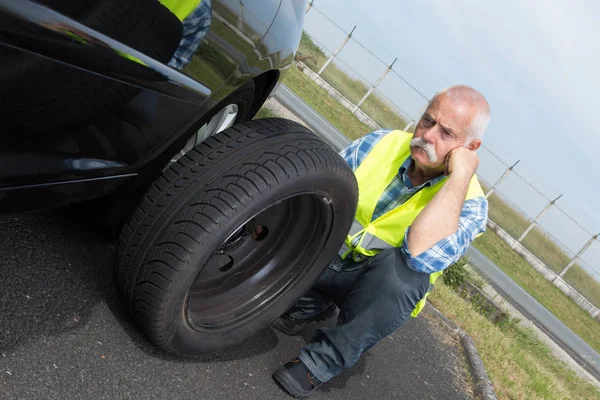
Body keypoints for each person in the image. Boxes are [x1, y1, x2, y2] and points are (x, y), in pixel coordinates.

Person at [271, 85, 491, 398]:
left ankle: (322, 360)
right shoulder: (383, 142)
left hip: (366, 289)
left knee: (405, 276)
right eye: (428, 121)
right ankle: (308, 302)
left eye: (446, 134)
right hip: (321, 257)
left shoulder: (469, 204)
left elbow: (420, 255)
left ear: (470, 147)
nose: (428, 136)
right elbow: (320, 191)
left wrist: (459, 177)